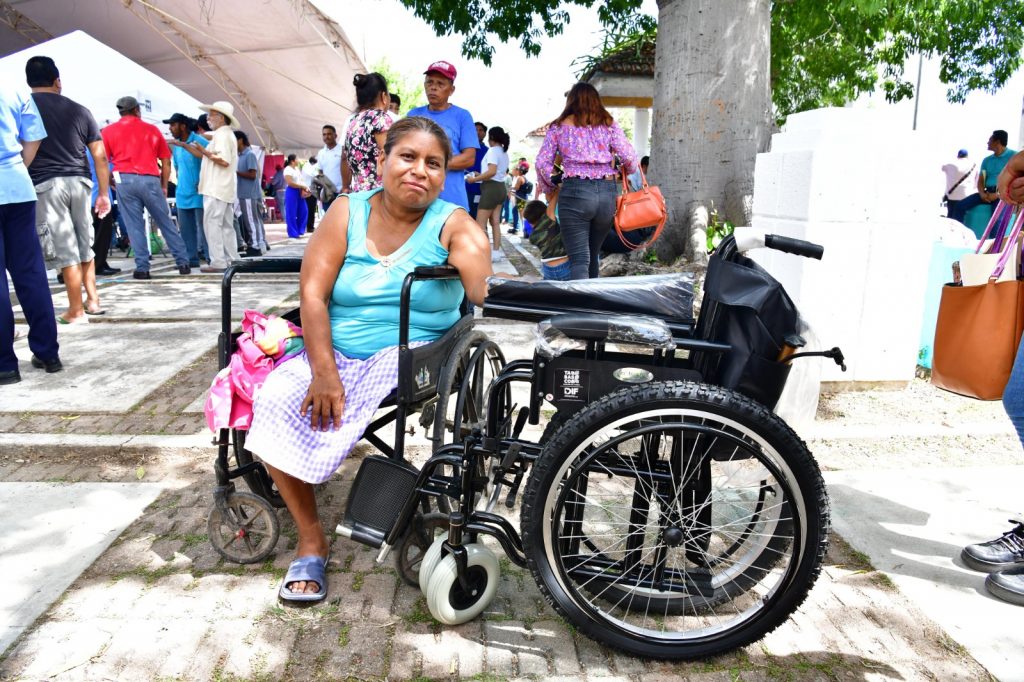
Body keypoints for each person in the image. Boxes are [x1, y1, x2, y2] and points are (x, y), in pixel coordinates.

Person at [242, 116, 492, 601]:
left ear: (444, 175)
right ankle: (311, 540)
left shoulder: (453, 224)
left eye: (434, 163)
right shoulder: (347, 211)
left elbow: (484, 292)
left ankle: (361, 488)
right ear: (382, 160)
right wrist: (324, 371)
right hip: (332, 349)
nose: (419, 170)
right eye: (407, 157)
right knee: (273, 399)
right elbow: (312, 296)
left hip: (412, 354)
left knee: (350, 394)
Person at [25, 56, 112, 323]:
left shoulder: (25, 108)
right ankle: (93, 300)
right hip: (81, 182)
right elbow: (100, 155)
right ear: (57, 81)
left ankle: (75, 309)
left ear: (28, 81)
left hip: (46, 183)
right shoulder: (80, 110)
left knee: (65, 248)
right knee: (84, 243)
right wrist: (103, 193)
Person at [536, 82, 637, 280]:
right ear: (596, 101)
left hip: (575, 192)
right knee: (593, 254)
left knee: (580, 259)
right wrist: (624, 169)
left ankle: (580, 299)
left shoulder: (559, 127)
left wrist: (551, 184)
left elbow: (541, 163)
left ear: (570, 101)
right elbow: (630, 158)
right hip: (607, 193)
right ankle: (590, 298)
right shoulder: (609, 124)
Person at [1, 84, 61, 385]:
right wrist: (17, 167)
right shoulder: (14, 91)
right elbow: (34, 137)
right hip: (17, 185)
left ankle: (5, 364)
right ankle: (48, 352)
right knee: (31, 273)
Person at [100, 95, 192, 279]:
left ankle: (142, 268)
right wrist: (164, 185)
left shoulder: (108, 131)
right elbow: (166, 161)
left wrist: (109, 179)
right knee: (165, 221)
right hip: (150, 179)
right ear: (137, 110)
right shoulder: (152, 130)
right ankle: (183, 262)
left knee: (134, 225)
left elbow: (103, 160)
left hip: (124, 179)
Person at [407, 60, 478, 211]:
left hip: (450, 200)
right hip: (416, 198)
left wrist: (432, 163)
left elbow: (469, 158)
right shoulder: (413, 114)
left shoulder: (462, 116)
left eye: (440, 84)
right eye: (429, 82)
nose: (433, 87)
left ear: (451, 90)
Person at [192, 101, 239, 273]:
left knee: (213, 224)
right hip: (222, 187)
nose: (208, 118)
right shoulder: (225, 134)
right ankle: (233, 259)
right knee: (225, 225)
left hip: (216, 188)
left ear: (221, 118)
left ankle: (218, 261)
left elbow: (224, 160)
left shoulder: (222, 135)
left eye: (211, 115)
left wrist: (203, 150)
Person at [165, 113, 209, 267]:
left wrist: (204, 181)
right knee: (186, 230)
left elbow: (211, 162)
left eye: (173, 125)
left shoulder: (200, 141)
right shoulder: (176, 146)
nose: (170, 128)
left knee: (205, 228)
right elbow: (177, 168)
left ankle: (211, 258)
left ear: (183, 126)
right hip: (182, 193)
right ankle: (191, 259)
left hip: (200, 192)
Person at [342, 72, 393, 194]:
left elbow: (344, 157)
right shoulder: (380, 118)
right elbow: (391, 157)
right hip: (379, 194)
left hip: (358, 193)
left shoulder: (353, 121)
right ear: (384, 97)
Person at [466, 126, 510, 261]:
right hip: (501, 187)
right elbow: (494, 172)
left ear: (491, 137)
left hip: (490, 189)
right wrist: (480, 175)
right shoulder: (504, 152)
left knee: (480, 223)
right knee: (495, 222)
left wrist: (474, 179)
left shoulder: (492, 151)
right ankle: (496, 253)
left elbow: (491, 172)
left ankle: (483, 253)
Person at [956, 130, 1017, 222]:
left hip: (1004, 193)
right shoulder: (987, 160)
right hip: (986, 193)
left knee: (996, 220)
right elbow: (981, 180)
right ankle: (957, 230)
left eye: (990, 140)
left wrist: (997, 194)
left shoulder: (1014, 156)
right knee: (959, 206)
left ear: (997, 142)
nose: (987, 142)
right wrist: (982, 194)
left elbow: (1015, 179)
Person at [235, 130, 266, 256]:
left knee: (251, 221)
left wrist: (236, 172)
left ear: (240, 140)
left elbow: (253, 175)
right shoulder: (241, 155)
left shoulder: (249, 155)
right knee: (253, 220)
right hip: (245, 193)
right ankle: (257, 244)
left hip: (249, 194)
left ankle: (255, 246)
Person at [523, 199, 570, 281]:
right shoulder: (549, 220)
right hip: (564, 267)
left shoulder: (532, 237)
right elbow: (554, 199)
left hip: (548, 270)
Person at [941, 149, 975, 223]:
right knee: (960, 219)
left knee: (950, 217)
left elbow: (942, 168)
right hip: (966, 196)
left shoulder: (950, 164)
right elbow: (976, 182)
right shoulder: (974, 166)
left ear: (958, 156)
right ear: (967, 156)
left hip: (951, 196)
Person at [282, 154, 310, 239]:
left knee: (304, 211)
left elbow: (300, 180)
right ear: (292, 161)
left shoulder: (297, 169)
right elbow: (290, 183)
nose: (298, 161)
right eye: (297, 159)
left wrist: (305, 188)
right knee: (291, 212)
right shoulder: (287, 169)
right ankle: (292, 232)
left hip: (299, 190)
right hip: (291, 191)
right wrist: (302, 186)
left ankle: (299, 229)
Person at [465, 121, 487, 219]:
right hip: (463, 188)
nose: (477, 132)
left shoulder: (488, 151)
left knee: (476, 217)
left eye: (480, 130)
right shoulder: (463, 148)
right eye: (475, 130)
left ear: (485, 134)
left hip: (480, 189)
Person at [302, 156, 319, 232]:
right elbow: (315, 175)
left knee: (310, 209)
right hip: (309, 191)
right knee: (310, 209)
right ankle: (309, 226)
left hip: (310, 190)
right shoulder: (308, 167)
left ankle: (309, 226)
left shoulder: (307, 166)